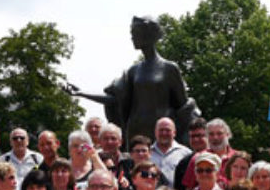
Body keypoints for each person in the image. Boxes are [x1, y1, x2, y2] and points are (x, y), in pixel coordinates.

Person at [67, 16, 198, 144]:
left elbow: (184, 107)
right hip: (136, 131)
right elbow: (115, 100)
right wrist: (81, 93)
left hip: (161, 132)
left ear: (148, 34)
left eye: (135, 33)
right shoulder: (133, 71)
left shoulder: (169, 68)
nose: (132, 37)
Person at [173, 117, 209, 190]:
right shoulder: (183, 163)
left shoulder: (220, 159)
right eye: (192, 136)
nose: (196, 139)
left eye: (199, 136)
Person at [149, 117, 191, 186]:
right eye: (161, 130)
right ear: (155, 132)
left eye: (168, 130)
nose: (164, 133)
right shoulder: (146, 154)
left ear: (174, 133)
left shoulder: (186, 154)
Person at [206, 118, 238, 187]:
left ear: (228, 135)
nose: (215, 137)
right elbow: (189, 189)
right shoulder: (198, 158)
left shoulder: (238, 158)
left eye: (219, 133)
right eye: (211, 134)